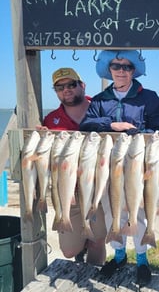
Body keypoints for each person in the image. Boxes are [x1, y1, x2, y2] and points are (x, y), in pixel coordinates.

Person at [80, 50, 159, 285]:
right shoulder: (100, 99)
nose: (121, 71)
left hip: (138, 165)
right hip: (107, 166)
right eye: (116, 66)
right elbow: (87, 124)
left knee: (138, 210)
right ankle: (119, 255)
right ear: (109, 70)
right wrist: (112, 124)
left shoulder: (149, 98)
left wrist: (140, 135)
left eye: (126, 67)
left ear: (133, 71)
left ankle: (142, 259)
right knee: (112, 210)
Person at [40, 67, 107, 265]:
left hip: (98, 189)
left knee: (98, 240)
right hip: (68, 192)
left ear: (82, 85)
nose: (66, 90)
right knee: (69, 250)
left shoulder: (101, 107)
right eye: (60, 87)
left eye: (71, 84)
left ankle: (93, 274)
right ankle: (80, 248)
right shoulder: (51, 120)